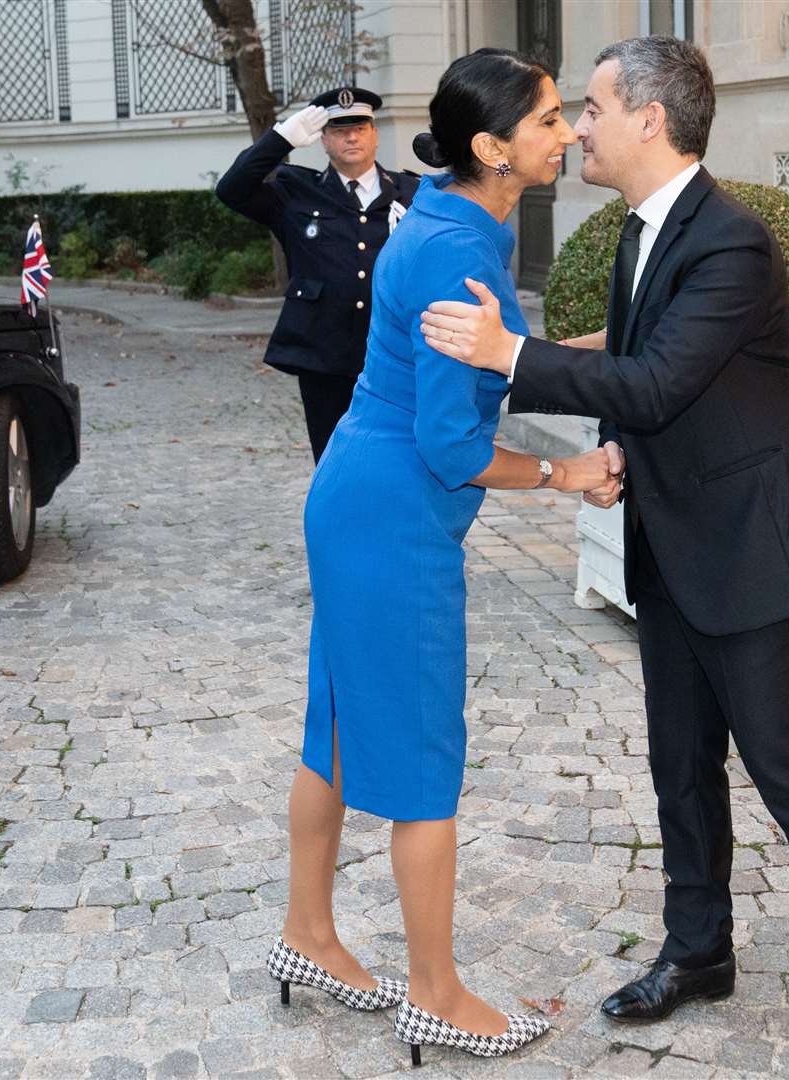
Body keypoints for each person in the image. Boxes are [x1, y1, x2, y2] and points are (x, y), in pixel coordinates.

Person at [418, 36, 789, 1072]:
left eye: (590, 108)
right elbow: (632, 364)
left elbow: (655, 388)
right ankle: (699, 951)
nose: (577, 127)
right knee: (680, 766)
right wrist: (517, 371)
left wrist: (507, 356)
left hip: (754, 556)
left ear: (648, 118)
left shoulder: (732, 242)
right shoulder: (640, 232)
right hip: (674, 545)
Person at [269, 49, 616, 1067]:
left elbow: (490, 361)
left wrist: (600, 347)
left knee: (332, 724)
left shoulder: (449, 220)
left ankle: (309, 936)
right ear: (493, 148)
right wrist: (567, 478)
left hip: (353, 494)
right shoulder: (460, 249)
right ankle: (436, 994)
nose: (570, 133)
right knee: (424, 762)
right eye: (552, 120)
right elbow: (455, 447)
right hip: (395, 521)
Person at [215, 86, 417, 462]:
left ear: (374, 133)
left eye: (360, 127)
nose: (351, 137)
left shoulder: (410, 194)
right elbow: (231, 189)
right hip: (325, 357)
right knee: (333, 459)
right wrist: (279, 138)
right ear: (323, 139)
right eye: (339, 130)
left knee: (396, 459)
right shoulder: (296, 193)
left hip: (394, 352)